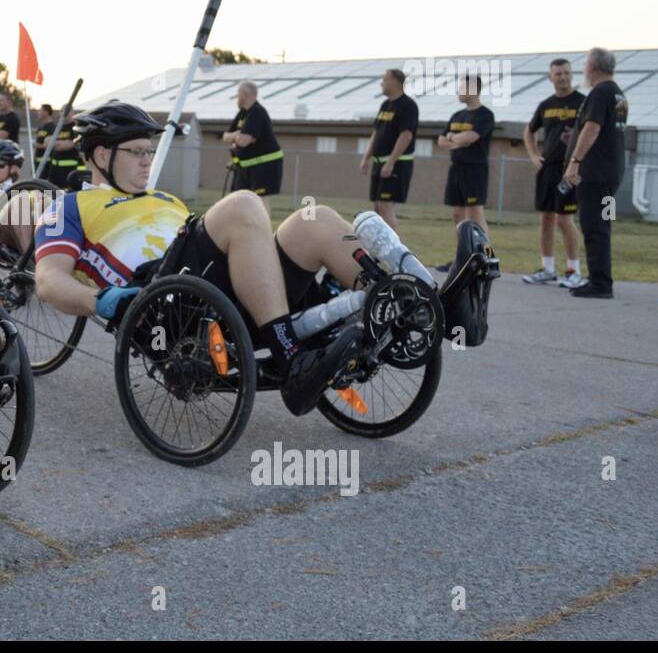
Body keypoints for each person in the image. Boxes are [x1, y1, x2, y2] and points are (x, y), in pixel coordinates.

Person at [33, 102, 409, 417]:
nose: (148, 161)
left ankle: (407, 310)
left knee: (316, 219)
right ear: (102, 155)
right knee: (243, 203)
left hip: (234, 290)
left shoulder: (165, 199)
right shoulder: (67, 206)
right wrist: (97, 301)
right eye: (138, 152)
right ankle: (291, 358)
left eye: (150, 152)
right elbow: (48, 279)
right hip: (166, 301)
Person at [563, 48, 627, 299]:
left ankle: (600, 283)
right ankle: (601, 277)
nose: (583, 70)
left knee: (594, 225)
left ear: (593, 68)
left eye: (585, 65)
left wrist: (575, 161)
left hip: (596, 175)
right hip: (612, 174)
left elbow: (592, 127)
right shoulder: (618, 94)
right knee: (603, 224)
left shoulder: (600, 93)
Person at [521, 58, 584, 286]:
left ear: (572, 75)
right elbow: (528, 131)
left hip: (569, 169)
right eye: (558, 74)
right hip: (547, 169)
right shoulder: (546, 105)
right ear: (551, 77)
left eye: (567, 73)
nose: (563, 77)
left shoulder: (583, 103)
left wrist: (579, 162)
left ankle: (573, 270)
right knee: (546, 219)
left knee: (564, 220)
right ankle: (548, 269)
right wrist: (532, 154)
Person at [437, 73, 494, 270]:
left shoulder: (485, 115)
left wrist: (454, 138)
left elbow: (471, 138)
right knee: (457, 214)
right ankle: (461, 260)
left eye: (462, 87)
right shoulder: (457, 116)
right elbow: (441, 141)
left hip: (475, 169)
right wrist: (456, 139)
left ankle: (486, 258)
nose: (458, 91)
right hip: (456, 169)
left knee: (475, 214)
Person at [359, 69, 419, 231]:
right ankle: (378, 249)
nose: (381, 83)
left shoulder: (408, 106)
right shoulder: (385, 105)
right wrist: (366, 158)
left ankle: (394, 252)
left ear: (395, 82)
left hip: (396, 163)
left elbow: (406, 136)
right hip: (379, 163)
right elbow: (376, 133)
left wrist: (391, 162)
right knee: (378, 208)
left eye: (384, 80)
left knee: (385, 207)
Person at [221, 81, 284, 203]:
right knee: (238, 199)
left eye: (238, 94)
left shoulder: (257, 112)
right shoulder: (243, 113)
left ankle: (263, 223)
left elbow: (243, 142)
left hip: (265, 166)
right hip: (246, 166)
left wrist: (237, 137)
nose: (237, 98)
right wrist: (237, 134)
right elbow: (225, 137)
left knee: (259, 201)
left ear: (244, 94)